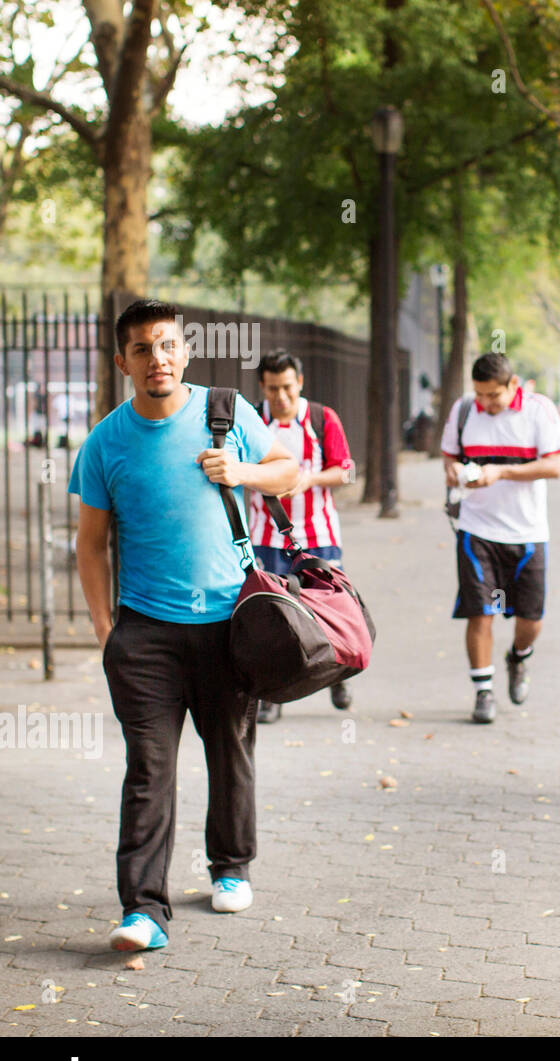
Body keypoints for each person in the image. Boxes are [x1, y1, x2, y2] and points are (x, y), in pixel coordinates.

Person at [68, 299, 297, 952]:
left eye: (166, 345)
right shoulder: (106, 442)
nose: (156, 358)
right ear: (123, 362)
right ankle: (143, 909)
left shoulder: (225, 413)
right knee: (148, 768)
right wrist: (104, 625)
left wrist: (243, 471)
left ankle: (230, 865)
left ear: (185, 352)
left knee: (230, 752)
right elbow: (90, 543)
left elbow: (290, 471)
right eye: (141, 349)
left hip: (230, 624)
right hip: (145, 635)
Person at [441, 353, 560, 723]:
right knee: (480, 613)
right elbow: (449, 457)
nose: (486, 404)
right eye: (480, 395)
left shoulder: (539, 411)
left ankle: (519, 656)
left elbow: (555, 466)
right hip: (476, 529)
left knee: (531, 618)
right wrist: (454, 474)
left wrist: (500, 473)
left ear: (513, 385)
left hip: (527, 532)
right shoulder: (464, 410)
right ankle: (483, 692)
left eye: (493, 396)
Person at [245, 348, 356, 723]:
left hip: (318, 533)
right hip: (265, 534)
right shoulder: (252, 420)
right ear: (262, 386)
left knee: (327, 609)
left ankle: (339, 672)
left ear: (300, 383)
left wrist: (308, 478)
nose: (281, 397)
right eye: (273, 388)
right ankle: (272, 694)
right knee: (271, 615)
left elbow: (345, 471)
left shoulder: (323, 419)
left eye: (288, 387)